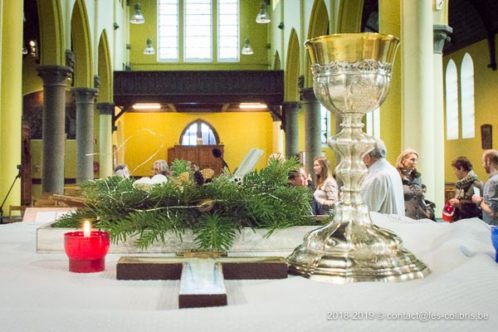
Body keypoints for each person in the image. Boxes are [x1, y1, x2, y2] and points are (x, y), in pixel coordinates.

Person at [361, 138, 405, 215]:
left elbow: (367, 210)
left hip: (382, 225)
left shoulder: (378, 176)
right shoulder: (392, 170)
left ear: (367, 157)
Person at [396, 148, 435, 220]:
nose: (415, 162)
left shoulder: (417, 177)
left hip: (422, 217)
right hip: (405, 219)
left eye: (416, 160)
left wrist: (428, 212)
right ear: (403, 160)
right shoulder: (395, 176)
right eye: (412, 159)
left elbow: (421, 198)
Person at [448, 156, 483, 220]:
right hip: (460, 221)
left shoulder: (476, 185)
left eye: (455, 169)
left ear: (461, 168)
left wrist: (459, 204)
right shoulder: (459, 185)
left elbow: (478, 208)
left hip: (472, 224)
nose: (454, 173)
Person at [472, 150, 498, 225]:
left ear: (488, 161)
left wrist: (479, 201)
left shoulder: (492, 182)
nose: (483, 165)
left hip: (493, 228)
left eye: (483, 162)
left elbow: (492, 212)